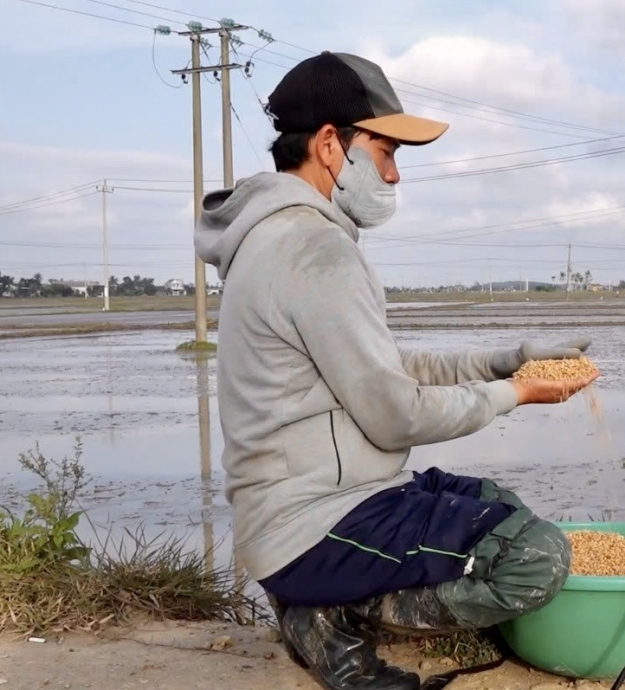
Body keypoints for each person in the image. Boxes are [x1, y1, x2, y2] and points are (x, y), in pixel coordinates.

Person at [193, 51, 598, 690]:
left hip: (327, 502)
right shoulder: (312, 248)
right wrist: (516, 393)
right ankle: (332, 616)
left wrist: (507, 359)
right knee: (535, 558)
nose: (393, 174)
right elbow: (395, 413)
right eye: (385, 151)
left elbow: (389, 367)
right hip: (315, 522)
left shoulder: (285, 239)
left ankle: (330, 606)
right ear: (330, 144)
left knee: (498, 505)